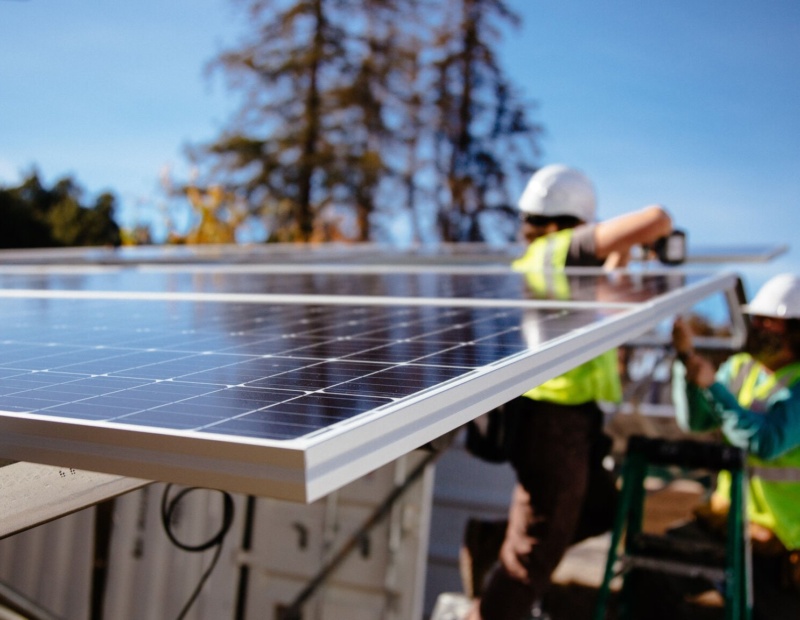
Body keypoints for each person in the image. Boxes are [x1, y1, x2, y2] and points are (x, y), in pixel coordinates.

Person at [467, 164, 674, 620]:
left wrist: (622, 260)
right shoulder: (560, 250)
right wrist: (649, 235)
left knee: (601, 509)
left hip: (567, 419)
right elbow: (656, 217)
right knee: (532, 559)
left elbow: (618, 303)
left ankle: (489, 538)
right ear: (575, 220)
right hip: (553, 420)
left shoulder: (544, 262)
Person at [666, 273, 800, 619]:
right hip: (726, 522)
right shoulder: (741, 368)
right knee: (656, 573)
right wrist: (686, 362)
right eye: (757, 318)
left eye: (768, 321)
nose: (757, 327)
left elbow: (765, 442)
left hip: (781, 542)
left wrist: (714, 387)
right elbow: (697, 421)